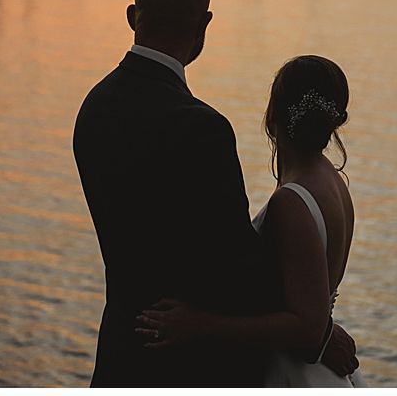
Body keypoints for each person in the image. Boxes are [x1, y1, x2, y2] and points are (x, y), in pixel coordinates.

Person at [73, 0, 358, 387]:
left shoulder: (92, 108)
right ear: (203, 25)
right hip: (195, 364)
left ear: (133, 17)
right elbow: (236, 265)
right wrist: (314, 332)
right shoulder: (200, 126)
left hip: (122, 354)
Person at [134, 55, 366, 387]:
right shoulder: (332, 182)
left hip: (293, 374)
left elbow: (306, 327)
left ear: (274, 114)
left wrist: (196, 323)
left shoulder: (292, 201)